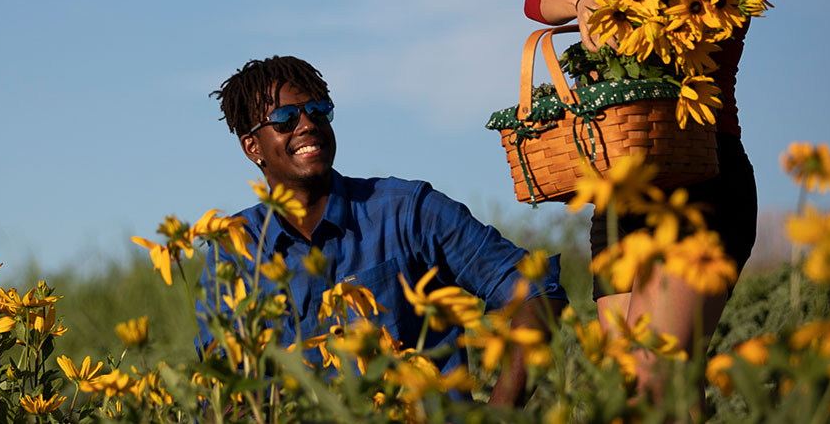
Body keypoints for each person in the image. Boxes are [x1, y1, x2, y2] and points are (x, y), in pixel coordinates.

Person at [523, 0, 794, 398]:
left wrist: (604, 1)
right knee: (630, 396)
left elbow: (671, 19)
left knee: (658, 382)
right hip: (620, 191)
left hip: (701, 173)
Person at [204, 55, 567, 406]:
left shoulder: (408, 210)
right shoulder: (234, 251)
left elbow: (536, 293)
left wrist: (500, 417)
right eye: (284, 118)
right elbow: (222, 386)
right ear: (252, 146)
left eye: (318, 110)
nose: (306, 124)